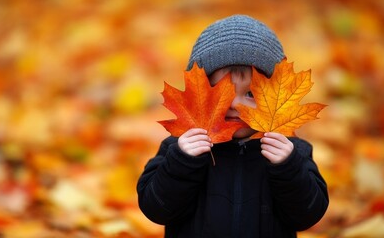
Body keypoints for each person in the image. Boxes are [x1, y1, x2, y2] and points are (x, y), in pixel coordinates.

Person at [137, 14, 328, 237]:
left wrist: (288, 168)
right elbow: (155, 209)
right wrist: (182, 162)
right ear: (199, 94)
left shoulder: (291, 152)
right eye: (223, 92)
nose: (235, 105)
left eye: (250, 94)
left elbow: (307, 215)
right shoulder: (180, 148)